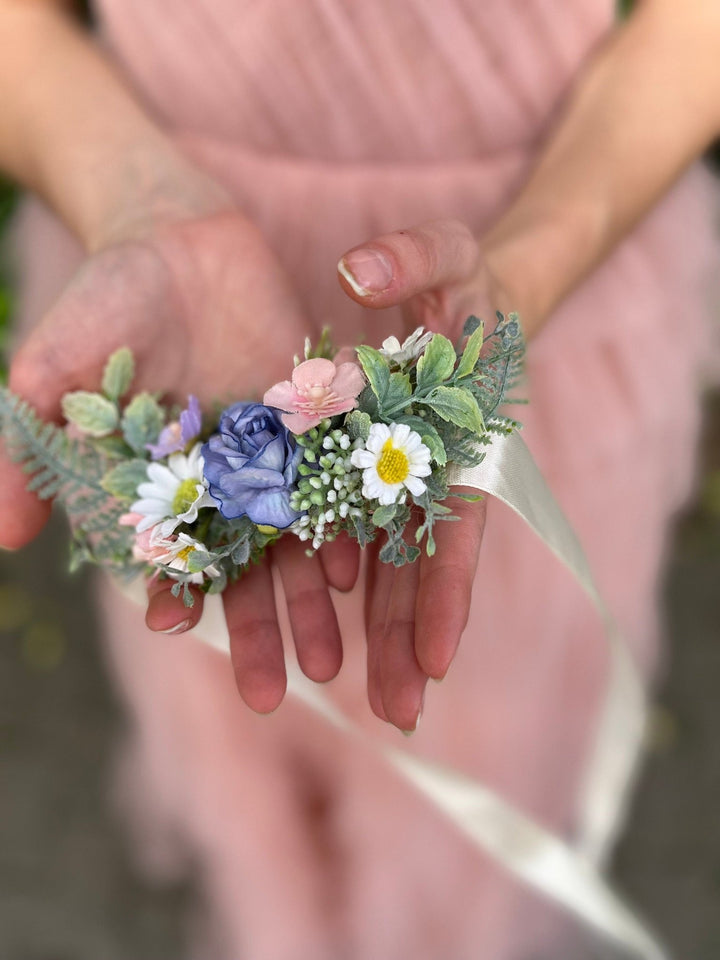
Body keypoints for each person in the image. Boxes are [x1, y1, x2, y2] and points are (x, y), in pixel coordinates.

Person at [1, 0, 718, 956]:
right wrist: (136, 195)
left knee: (478, 746)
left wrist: (527, 269)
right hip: (181, 299)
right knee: (249, 738)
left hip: (546, 251)